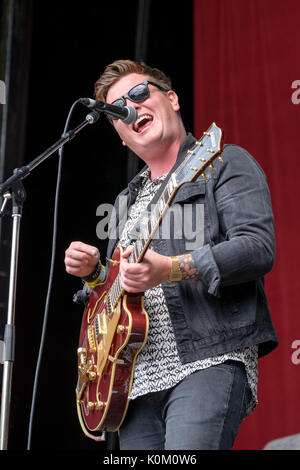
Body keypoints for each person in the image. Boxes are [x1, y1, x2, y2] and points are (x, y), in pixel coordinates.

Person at [64, 59, 278, 450]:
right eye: (117, 110)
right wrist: (95, 274)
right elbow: (117, 290)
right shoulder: (125, 201)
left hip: (206, 361)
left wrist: (171, 270)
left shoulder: (221, 163)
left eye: (140, 94)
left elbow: (256, 248)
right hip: (130, 381)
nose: (132, 107)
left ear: (173, 99)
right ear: (122, 138)